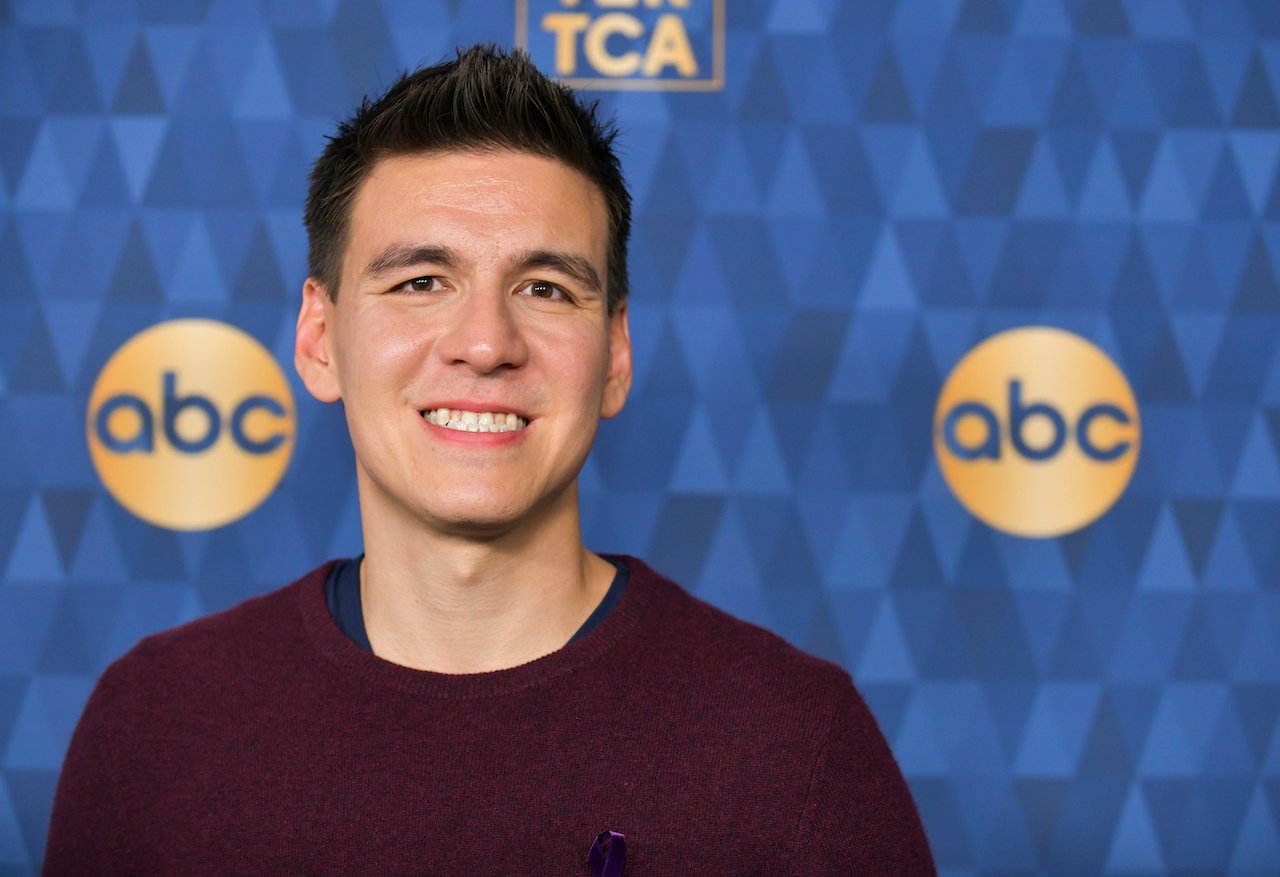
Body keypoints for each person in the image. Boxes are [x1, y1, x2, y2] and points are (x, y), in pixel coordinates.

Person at [44, 45, 935, 875]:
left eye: (544, 288)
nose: (484, 342)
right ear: (319, 339)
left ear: (615, 355)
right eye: (421, 281)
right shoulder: (154, 729)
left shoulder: (797, 745)